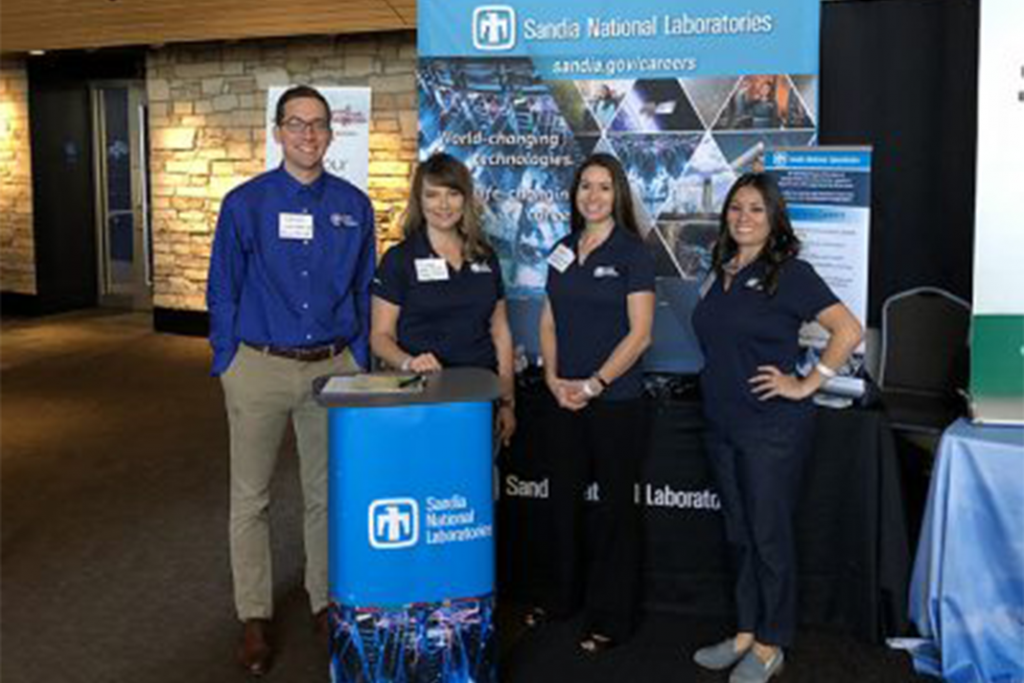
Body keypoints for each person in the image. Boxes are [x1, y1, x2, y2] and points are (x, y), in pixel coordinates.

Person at [206, 85, 375, 676]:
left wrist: (357, 357)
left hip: (333, 369)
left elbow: (365, 287)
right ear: (277, 132)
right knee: (250, 497)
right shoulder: (244, 203)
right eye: (296, 123)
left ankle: (323, 601)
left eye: (318, 124)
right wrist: (227, 359)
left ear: (331, 133)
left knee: (325, 492)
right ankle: (253, 615)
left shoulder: (354, 205)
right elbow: (222, 287)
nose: (308, 134)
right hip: (257, 366)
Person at [690, 173, 862, 683]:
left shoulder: (791, 273)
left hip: (771, 428)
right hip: (722, 422)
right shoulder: (722, 270)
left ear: (774, 219)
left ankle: (771, 643)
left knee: (768, 537)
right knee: (739, 535)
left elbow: (848, 330)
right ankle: (746, 631)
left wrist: (807, 383)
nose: (743, 217)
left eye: (756, 209)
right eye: (736, 207)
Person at [535, 152, 656, 653]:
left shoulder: (634, 253)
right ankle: (562, 599)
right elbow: (548, 320)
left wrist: (594, 385)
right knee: (562, 503)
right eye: (586, 185)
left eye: (604, 186)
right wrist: (552, 377)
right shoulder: (562, 249)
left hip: (615, 402)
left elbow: (641, 335)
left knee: (614, 512)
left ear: (618, 194)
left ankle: (612, 616)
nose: (594, 195)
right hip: (562, 397)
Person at [370, 153, 516, 444]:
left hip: (479, 396)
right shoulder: (399, 259)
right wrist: (409, 363)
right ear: (419, 200)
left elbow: (500, 332)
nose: (443, 204)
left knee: (474, 471)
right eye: (432, 195)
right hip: (421, 395)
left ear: (465, 198)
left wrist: (507, 400)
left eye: (452, 193)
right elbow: (380, 337)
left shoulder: (484, 256)